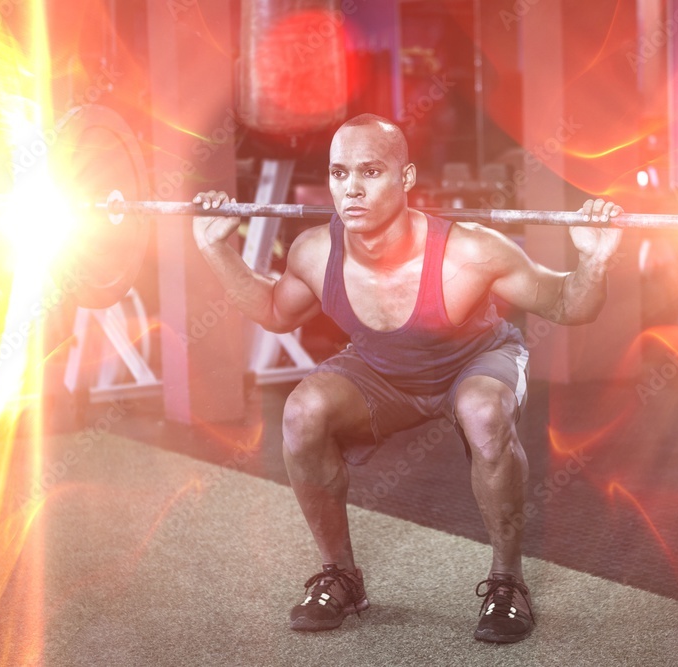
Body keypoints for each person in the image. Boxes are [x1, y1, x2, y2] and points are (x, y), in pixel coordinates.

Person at [192, 114, 623, 644]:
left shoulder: (470, 251)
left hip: (475, 362)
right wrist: (216, 249)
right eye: (339, 172)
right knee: (302, 412)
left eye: (371, 171)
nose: (351, 187)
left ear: (406, 177)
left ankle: (509, 582)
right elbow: (276, 312)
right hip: (382, 373)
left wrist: (596, 260)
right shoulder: (314, 251)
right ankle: (341, 578)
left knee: (484, 413)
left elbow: (566, 304)